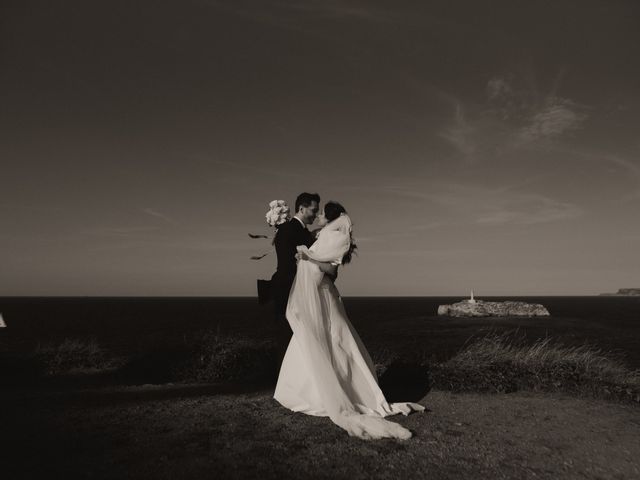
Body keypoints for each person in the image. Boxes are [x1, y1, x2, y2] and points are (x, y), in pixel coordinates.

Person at [274, 202, 425, 440]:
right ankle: (305, 391)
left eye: (323, 213)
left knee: (335, 339)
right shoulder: (324, 235)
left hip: (323, 295)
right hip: (316, 294)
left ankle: (344, 392)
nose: (320, 216)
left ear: (333, 217)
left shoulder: (336, 237)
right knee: (312, 337)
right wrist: (302, 258)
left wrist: (308, 257)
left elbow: (331, 272)